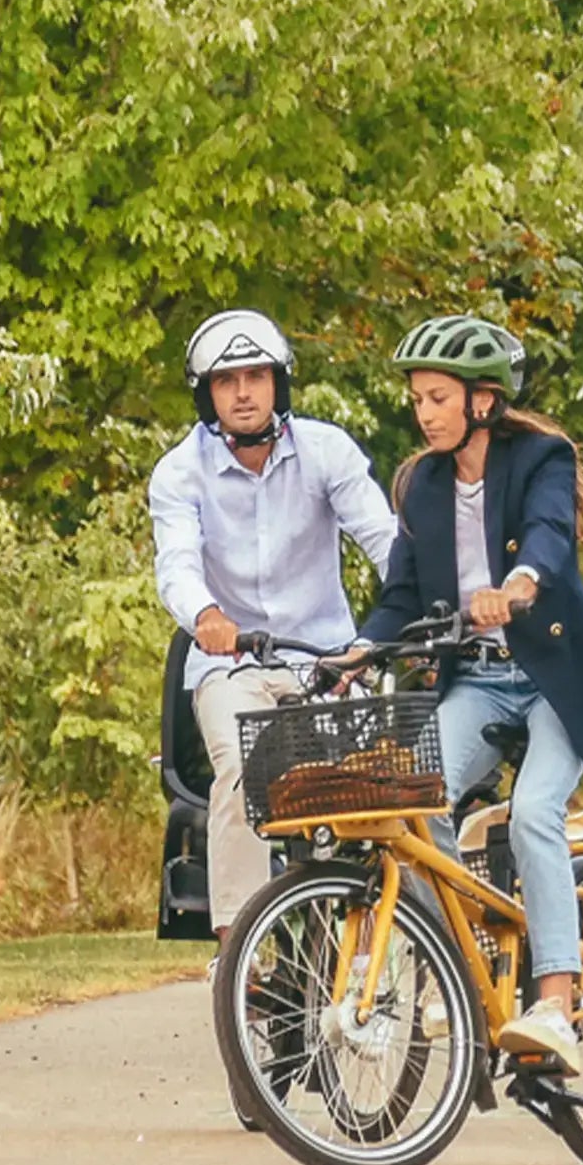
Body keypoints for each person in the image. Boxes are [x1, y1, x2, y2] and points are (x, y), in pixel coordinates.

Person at [354, 314, 583, 1073]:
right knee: (413, 806)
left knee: (532, 814)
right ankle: (463, 959)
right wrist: (357, 651)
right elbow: (398, 594)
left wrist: (519, 584)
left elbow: (551, 532)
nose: (423, 413)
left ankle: (555, 1000)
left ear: (482, 402)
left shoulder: (539, 458)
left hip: (557, 680)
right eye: (417, 399)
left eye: (437, 397)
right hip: (480, 683)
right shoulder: (422, 485)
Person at [149, 310, 401, 934]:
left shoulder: (327, 451)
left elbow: (385, 539)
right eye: (226, 380)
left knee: (374, 789)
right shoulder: (179, 472)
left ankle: (370, 949)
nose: (242, 392)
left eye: (256, 376)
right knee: (241, 765)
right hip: (232, 667)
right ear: (205, 393)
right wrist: (206, 614)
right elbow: (176, 564)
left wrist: (400, 620)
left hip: (331, 664)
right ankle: (240, 949)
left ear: (278, 383)